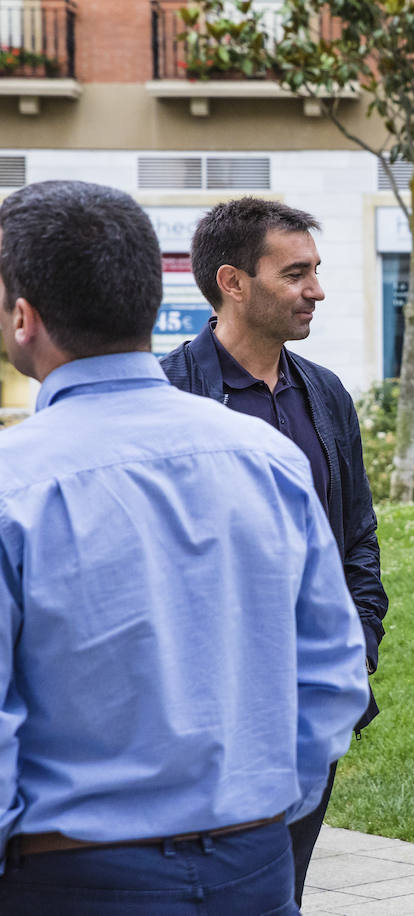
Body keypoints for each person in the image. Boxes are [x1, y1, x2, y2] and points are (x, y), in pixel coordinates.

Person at [0, 179, 369, 914]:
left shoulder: (15, 485)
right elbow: (332, 670)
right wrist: (267, 811)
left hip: (71, 878)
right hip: (253, 863)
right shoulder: (266, 460)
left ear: (23, 318)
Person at [160, 197, 388, 902]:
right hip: (209, 712)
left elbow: (357, 540)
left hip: (310, 704)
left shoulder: (324, 394)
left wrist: (356, 652)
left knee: (283, 890)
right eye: (295, 274)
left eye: (315, 271)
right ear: (233, 282)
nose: (316, 290)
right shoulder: (169, 395)